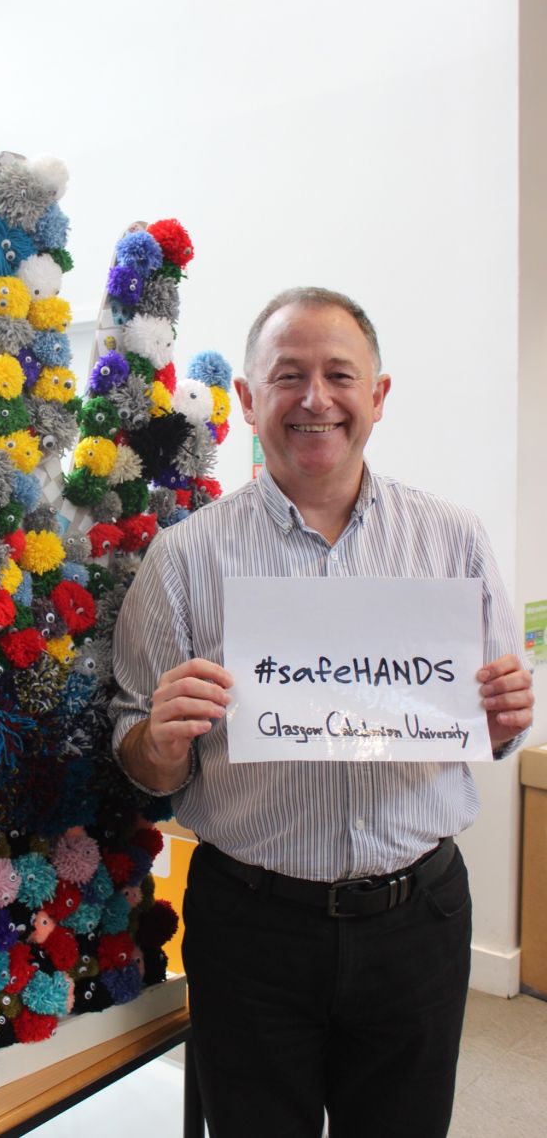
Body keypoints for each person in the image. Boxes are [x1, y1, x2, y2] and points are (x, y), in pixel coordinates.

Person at [111, 287, 534, 1138]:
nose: (315, 399)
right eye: (289, 376)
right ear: (247, 398)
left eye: (340, 375)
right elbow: (136, 753)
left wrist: (505, 715)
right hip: (252, 926)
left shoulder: (451, 540)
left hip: (419, 920)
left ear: (377, 397)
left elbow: (489, 720)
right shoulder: (186, 557)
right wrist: (157, 740)